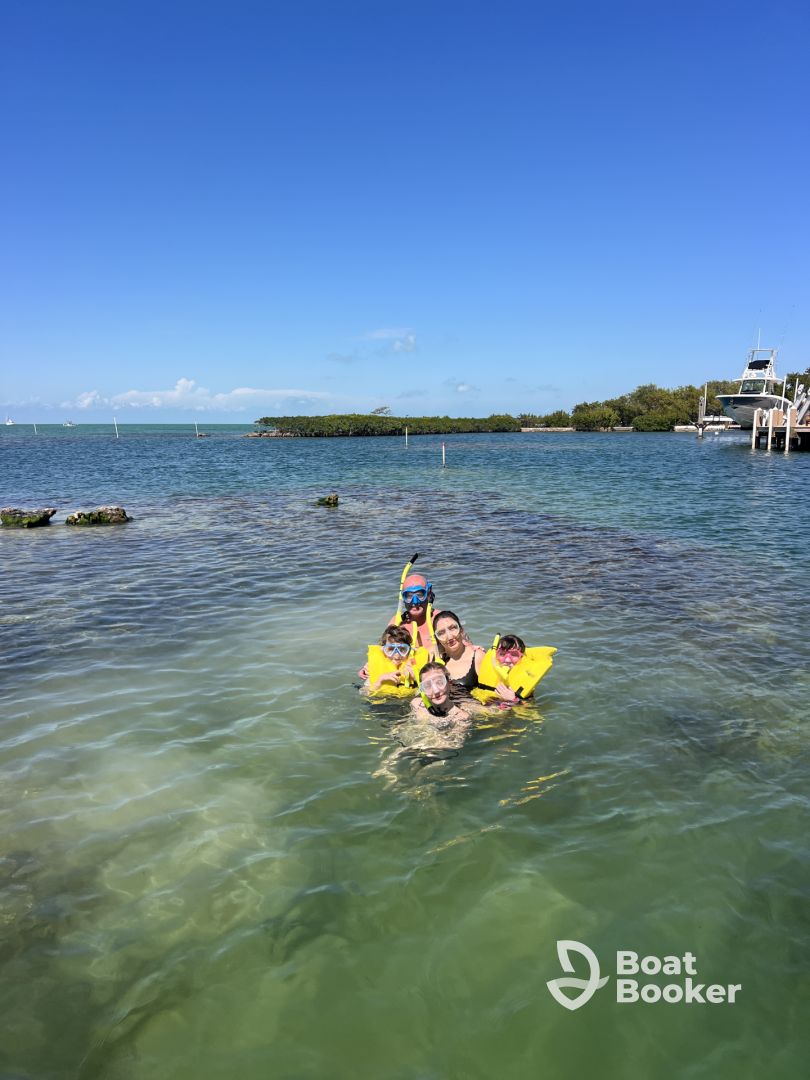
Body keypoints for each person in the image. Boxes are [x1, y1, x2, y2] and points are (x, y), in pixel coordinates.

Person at [360, 625, 426, 696]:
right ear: (383, 650)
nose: (397, 655)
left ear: (409, 650)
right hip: (383, 700)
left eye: (402, 649)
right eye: (391, 649)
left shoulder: (415, 666)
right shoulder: (376, 666)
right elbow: (364, 693)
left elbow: (428, 691)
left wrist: (417, 678)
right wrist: (380, 681)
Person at [432, 610, 484, 691]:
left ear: (461, 630)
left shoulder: (478, 656)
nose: (449, 637)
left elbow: (491, 692)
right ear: (437, 638)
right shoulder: (433, 658)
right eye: (441, 633)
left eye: (452, 628)